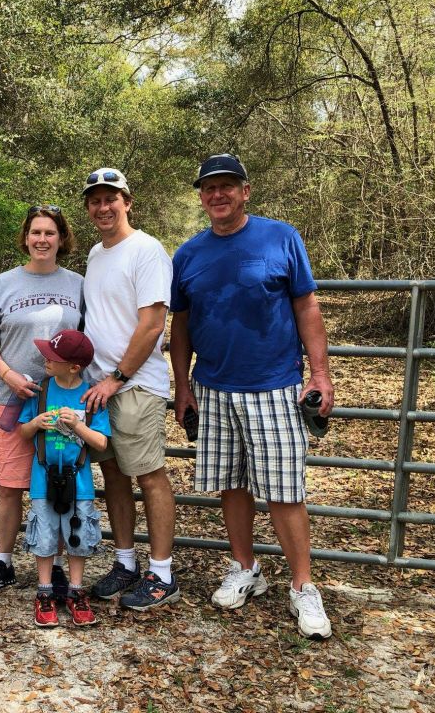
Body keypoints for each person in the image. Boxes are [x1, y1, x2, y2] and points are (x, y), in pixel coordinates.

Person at [169, 154, 335, 639]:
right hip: (214, 387)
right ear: (201, 197)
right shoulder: (188, 254)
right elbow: (181, 324)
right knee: (232, 484)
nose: (217, 195)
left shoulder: (281, 237)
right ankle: (246, 569)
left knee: (285, 491)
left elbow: (306, 304)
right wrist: (184, 385)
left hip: (275, 385)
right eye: (208, 188)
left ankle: (303, 587)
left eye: (227, 186)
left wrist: (319, 374)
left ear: (246, 191)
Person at [79, 168, 180, 610]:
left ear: (128, 200)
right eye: (95, 200)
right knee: (114, 475)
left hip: (134, 385)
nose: (103, 207)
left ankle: (162, 573)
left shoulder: (147, 250)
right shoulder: (95, 254)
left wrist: (117, 376)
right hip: (99, 385)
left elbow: (153, 323)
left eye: (111, 199)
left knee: (149, 476)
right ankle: (125, 563)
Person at [0, 204, 84, 595]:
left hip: (62, 402)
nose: (42, 239)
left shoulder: (77, 284)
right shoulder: (2, 284)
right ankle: (2, 562)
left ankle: (52, 564)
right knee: (10, 485)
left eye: (49, 233)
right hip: (13, 400)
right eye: (35, 232)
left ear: (61, 239)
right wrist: (7, 374)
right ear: (25, 238)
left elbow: (86, 343)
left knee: (56, 481)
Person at [18, 330, 110, 627]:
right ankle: (44, 591)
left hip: (78, 482)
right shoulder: (41, 391)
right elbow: (22, 432)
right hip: (43, 478)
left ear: (73, 367)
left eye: (53, 357)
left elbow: (101, 442)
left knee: (77, 535)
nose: (46, 359)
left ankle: (75, 590)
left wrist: (78, 427)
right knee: (44, 534)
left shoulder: (90, 396)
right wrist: (35, 423)